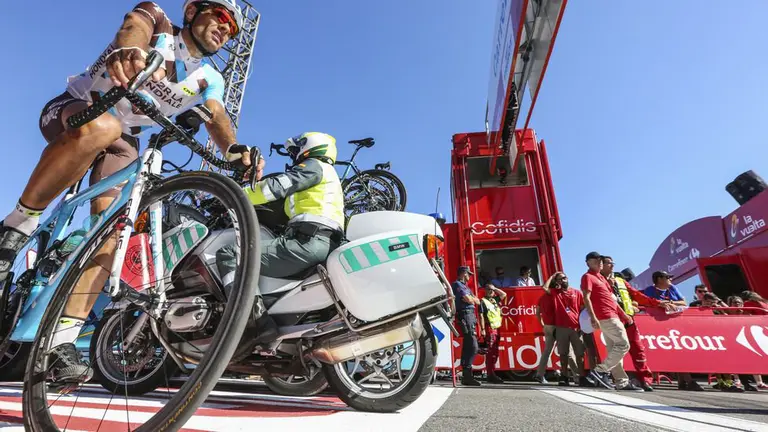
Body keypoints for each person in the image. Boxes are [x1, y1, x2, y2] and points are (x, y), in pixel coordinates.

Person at [0, 0, 252, 385]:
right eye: (219, 17)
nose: (225, 29)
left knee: (114, 232)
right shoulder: (158, 21)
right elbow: (133, 27)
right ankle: (16, 227)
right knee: (106, 127)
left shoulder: (208, 77)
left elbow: (217, 118)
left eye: (232, 28)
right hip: (79, 107)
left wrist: (234, 150)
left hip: (123, 138)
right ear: (191, 12)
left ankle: (61, 340)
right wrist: (130, 50)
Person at [216, 132, 345, 344]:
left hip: (307, 241)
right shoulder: (328, 178)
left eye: (296, 150)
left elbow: (276, 187)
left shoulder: (314, 166)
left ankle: (253, 322)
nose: (294, 156)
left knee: (229, 254)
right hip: (323, 241)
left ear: (310, 146)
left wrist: (234, 194)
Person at [581, 252, 642, 391]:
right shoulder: (588, 277)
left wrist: (624, 315)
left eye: (600, 260)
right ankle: (600, 371)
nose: (599, 262)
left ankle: (621, 381)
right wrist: (593, 317)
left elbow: (612, 300)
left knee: (613, 349)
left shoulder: (602, 279)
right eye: (595, 260)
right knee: (623, 345)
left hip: (613, 315)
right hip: (606, 317)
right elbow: (586, 297)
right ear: (588, 263)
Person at [601, 256, 654, 391]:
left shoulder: (621, 281)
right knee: (616, 349)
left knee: (638, 349)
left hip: (629, 320)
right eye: (609, 263)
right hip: (612, 320)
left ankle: (645, 380)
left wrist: (658, 303)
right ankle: (618, 379)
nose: (612, 265)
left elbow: (636, 295)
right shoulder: (596, 280)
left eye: (613, 262)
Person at [535, 272, 580, 384]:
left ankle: (539, 374)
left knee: (547, 351)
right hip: (557, 325)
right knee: (568, 352)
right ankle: (577, 375)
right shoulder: (555, 295)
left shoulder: (542, 298)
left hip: (547, 326)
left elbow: (537, 313)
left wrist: (542, 324)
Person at [546, 272, 590, 387]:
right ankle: (564, 377)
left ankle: (582, 377)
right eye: (559, 280)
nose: (562, 281)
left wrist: (583, 325)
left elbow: (582, 309)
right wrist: (552, 277)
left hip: (576, 327)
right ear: (557, 282)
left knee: (579, 354)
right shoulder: (556, 293)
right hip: (561, 327)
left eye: (564, 278)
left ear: (567, 278)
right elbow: (544, 288)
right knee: (563, 354)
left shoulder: (577, 292)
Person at [452, 266, 481, 386]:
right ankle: (467, 374)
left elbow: (477, 301)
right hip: (465, 315)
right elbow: (468, 299)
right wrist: (472, 299)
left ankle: (467, 375)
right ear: (463, 273)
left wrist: (472, 299)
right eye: (468, 274)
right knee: (473, 345)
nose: (470, 276)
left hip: (470, 315)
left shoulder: (466, 287)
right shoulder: (457, 285)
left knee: (469, 345)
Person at [478, 283, 507, 384]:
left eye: (492, 290)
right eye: (489, 289)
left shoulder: (494, 299)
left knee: (495, 352)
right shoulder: (483, 301)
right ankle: (490, 374)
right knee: (490, 352)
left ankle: (492, 372)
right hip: (489, 328)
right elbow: (481, 316)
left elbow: (504, 295)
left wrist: (495, 288)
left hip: (497, 328)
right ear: (485, 290)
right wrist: (482, 329)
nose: (491, 291)